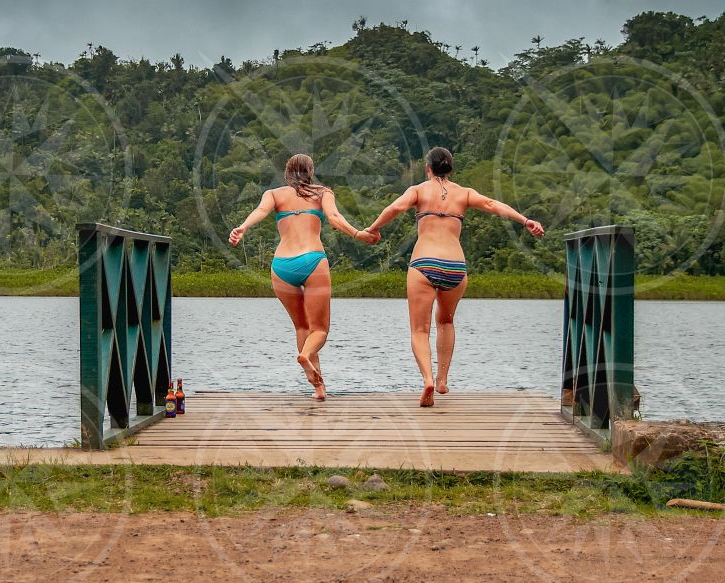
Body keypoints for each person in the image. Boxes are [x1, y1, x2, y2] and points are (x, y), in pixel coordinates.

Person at [359, 147, 544, 407]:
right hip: (455, 267)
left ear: (428, 169)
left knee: (419, 330)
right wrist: (525, 220)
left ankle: (428, 380)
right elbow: (493, 205)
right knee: (445, 321)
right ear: (451, 170)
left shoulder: (419, 190)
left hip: (423, 264)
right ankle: (443, 379)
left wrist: (372, 228)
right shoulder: (464, 193)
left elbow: (396, 207)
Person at [229, 154, 376, 400]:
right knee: (319, 329)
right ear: (311, 171)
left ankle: (319, 389)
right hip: (312, 260)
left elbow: (260, 211)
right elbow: (334, 218)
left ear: (287, 173)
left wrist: (242, 227)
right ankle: (306, 357)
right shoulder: (322, 193)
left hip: (281, 265)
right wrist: (357, 233)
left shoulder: (274, 195)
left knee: (301, 326)